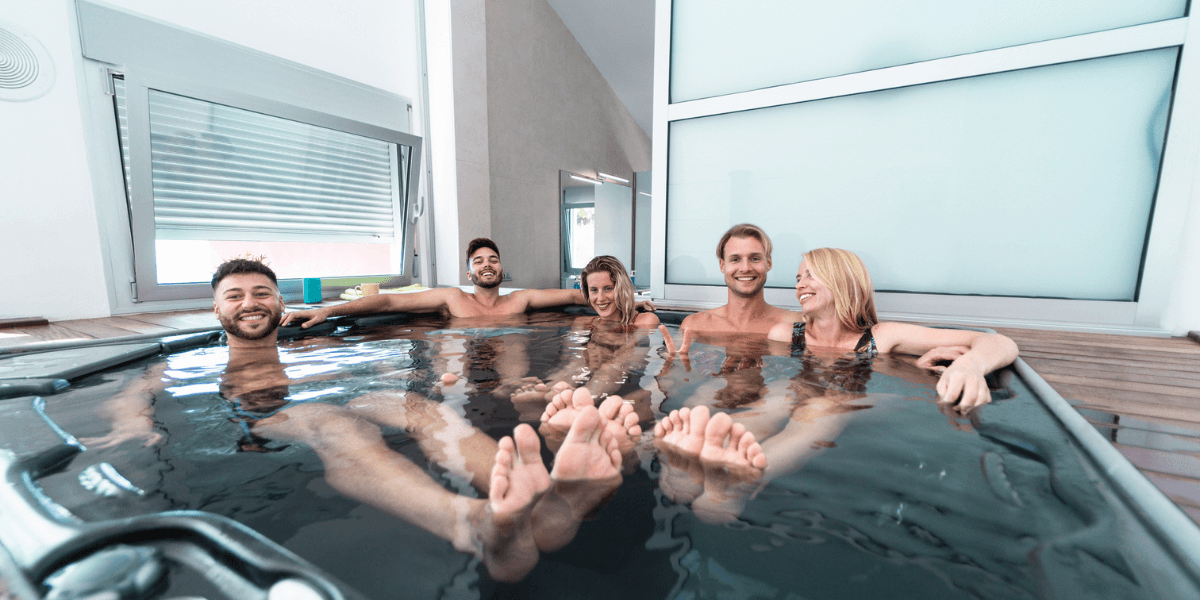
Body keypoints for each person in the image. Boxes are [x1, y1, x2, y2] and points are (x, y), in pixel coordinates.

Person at [82, 258, 629, 582]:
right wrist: (131, 423)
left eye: (261, 293)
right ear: (217, 309)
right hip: (259, 415)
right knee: (334, 424)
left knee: (416, 407)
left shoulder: (309, 340)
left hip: (333, 388)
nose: (250, 303)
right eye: (236, 296)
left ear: (278, 301)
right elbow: (139, 387)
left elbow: (386, 317)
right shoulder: (196, 356)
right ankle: (471, 522)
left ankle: (533, 507)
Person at [767, 247, 1019, 412]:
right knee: (777, 397)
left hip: (842, 411)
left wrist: (969, 366)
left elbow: (998, 342)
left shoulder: (880, 338)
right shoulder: (785, 335)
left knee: (824, 406)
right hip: (793, 402)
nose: (801, 285)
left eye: (810, 275)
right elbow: (778, 382)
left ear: (842, 281)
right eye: (798, 279)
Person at [281, 238, 652, 327]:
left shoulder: (520, 300)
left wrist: (628, 302)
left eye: (493, 260)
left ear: (502, 269)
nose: (487, 265)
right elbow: (390, 303)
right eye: (479, 262)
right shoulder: (451, 298)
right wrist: (328, 310)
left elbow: (579, 293)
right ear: (469, 273)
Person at [668, 224, 801, 354]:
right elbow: (671, 374)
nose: (745, 268)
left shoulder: (794, 324)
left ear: (769, 263)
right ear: (722, 265)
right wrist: (676, 363)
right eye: (735, 259)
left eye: (755, 258)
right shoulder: (695, 325)